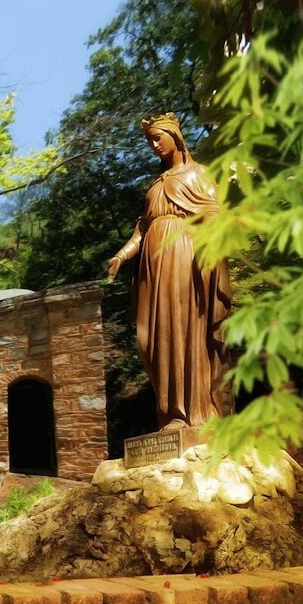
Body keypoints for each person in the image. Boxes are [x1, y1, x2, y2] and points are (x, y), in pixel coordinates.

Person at [107, 112, 231, 430]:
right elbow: (142, 229)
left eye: (158, 138)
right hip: (154, 269)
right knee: (158, 337)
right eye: (149, 141)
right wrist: (122, 255)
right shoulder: (156, 185)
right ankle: (172, 413)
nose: (154, 145)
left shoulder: (199, 174)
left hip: (184, 256)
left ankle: (198, 412)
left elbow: (214, 214)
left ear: (175, 137)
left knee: (186, 328)